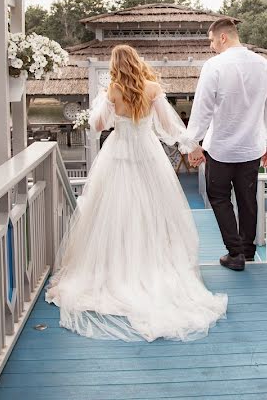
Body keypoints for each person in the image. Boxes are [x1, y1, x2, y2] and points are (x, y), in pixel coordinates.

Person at [45, 45, 227, 342]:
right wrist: (191, 147)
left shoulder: (113, 90)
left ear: (115, 65)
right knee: (152, 211)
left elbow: (98, 125)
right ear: (137, 62)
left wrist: (104, 101)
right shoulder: (153, 88)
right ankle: (152, 263)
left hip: (118, 155)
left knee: (114, 212)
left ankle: (117, 267)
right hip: (148, 154)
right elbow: (169, 127)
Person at [187, 18, 267, 271]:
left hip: (221, 149)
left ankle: (235, 253)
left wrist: (193, 143)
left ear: (223, 37)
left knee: (219, 198)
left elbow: (202, 108)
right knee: (248, 199)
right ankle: (248, 251)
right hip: (251, 147)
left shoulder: (214, 66)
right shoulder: (264, 65)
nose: (211, 46)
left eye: (211, 41)